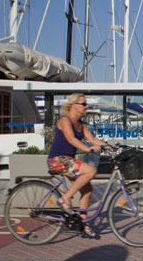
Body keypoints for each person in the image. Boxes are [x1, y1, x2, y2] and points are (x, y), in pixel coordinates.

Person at [47, 93, 109, 238]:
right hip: (58, 160)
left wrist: (109, 146)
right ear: (74, 105)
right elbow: (71, 139)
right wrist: (88, 149)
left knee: (87, 191)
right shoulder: (65, 120)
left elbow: (93, 139)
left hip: (69, 162)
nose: (86, 106)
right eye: (84, 104)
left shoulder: (82, 124)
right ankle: (65, 198)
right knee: (90, 171)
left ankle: (84, 225)